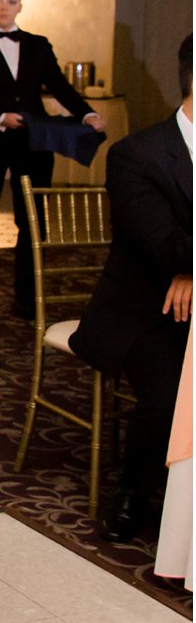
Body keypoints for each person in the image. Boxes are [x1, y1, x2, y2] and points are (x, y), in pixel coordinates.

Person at [71, 35, 193, 542]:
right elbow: (166, 248)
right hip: (146, 309)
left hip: (184, 288)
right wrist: (184, 268)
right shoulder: (136, 155)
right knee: (170, 390)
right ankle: (135, 492)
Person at [0, 0, 106, 320]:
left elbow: (61, 88)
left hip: (33, 142)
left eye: (11, 2)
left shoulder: (38, 44)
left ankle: (27, 296)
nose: (3, 7)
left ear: (20, 6)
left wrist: (87, 115)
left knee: (32, 220)